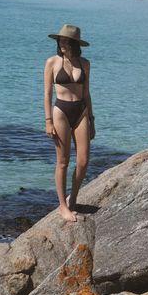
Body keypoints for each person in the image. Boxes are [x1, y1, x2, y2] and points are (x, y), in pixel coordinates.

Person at [44, 24, 95, 222]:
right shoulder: (52, 62)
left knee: (83, 161)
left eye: (66, 41)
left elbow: (87, 93)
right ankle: (62, 206)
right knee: (63, 162)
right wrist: (48, 121)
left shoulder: (85, 63)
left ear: (74, 43)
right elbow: (47, 94)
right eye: (60, 41)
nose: (62, 44)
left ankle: (73, 197)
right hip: (61, 113)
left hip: (81, 111)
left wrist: (91, 119)